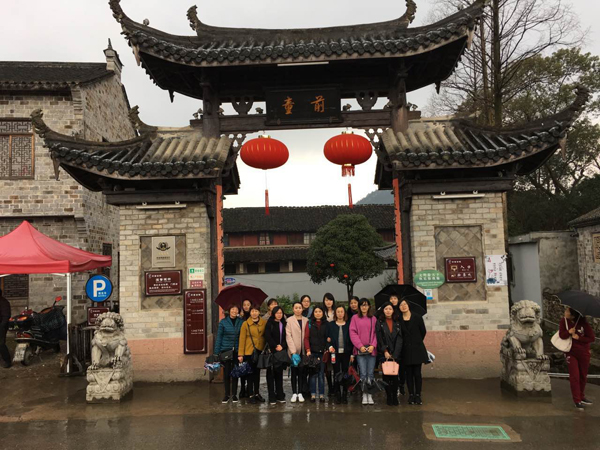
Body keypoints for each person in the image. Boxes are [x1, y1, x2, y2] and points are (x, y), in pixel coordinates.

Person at [559, 307, 596, 409]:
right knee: (574, 376)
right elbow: (561, 335)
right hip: (570, 352)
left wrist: (579, 338)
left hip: (584, 353)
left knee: (583, 376)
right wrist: (569, 332)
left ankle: (581, 396)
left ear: (573, 315)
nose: (565, 312)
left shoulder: (583, 323)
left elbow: (591, 338)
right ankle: (577, 400)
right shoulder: (563, 321)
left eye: (567, 311)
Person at [400, 300, 428, 406]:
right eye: (401, 305)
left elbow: (423, 331)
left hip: (417, 349)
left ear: (408, 305)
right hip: (405, 349)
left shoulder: (417, 317)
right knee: (408, 374)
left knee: (417, 373)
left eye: (405, 304)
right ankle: (411, 394)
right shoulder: (398, 319)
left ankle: (418, 395)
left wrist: (416, 341)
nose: (403, 306)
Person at [350, 298, 378, 405]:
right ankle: (364, 393)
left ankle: (369, 394)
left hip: (371, 350)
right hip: (360, 350)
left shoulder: (373, 319)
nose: (364, 307)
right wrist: (359, 346)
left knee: (370, 373)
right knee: (362, 373)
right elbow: (352, 332)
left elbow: (376, 333)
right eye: (362, 305)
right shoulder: (355, 318)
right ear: (359, 307)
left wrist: (373, 345)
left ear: (369, 306)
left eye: (366, 305)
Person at [214, 305, 243, 403]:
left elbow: (242, 337)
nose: (234, 311)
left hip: (237, 351)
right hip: (226, 350)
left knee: (235, 373)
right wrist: (216, 352)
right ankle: (226, 394)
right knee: (226, 373)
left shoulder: (241, 322)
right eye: (232, 309)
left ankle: (234, 394)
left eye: (236, 309)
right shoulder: (223, 322)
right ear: (229, 310)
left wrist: (241, 353)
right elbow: (219, 337)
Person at [238, 305, 267, 404]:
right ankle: (250, 394)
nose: (254, 313)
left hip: (260, 351)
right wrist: (240, 354)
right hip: (249, 351)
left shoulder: (264, 322)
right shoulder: (245, 324)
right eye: (252, 311)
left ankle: (257, 393)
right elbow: (242, 339)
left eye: (256, 311)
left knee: (257, 373)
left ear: (259, 312)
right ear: (250, 313)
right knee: (250, 373)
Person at [376, 302, 402, 406]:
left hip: (396, 353)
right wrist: (385, 351)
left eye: (390, 309)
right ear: (383, 310)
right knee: (386, 376)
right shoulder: (380, 322)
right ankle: (389, 396)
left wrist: (395, 354)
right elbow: (379, 338)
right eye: (386, 309)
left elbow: (400, 338)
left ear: (393, 310)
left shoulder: (397, 322)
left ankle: (395, 396)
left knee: (395, 376)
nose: (388, 311)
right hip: (384, 353)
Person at [326, 305, 353, 404]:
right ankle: (337, 394)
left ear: (344, 313)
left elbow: (352, 340)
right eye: (338, 312)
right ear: (335, 313)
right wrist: (330, 347)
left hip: (346, 353)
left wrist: (352, 354)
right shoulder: (331, 325)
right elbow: (327, 339)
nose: (340, 313)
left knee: (345, 373)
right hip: (335, 353)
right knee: (336, 373)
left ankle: (345, 394)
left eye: (342, 311)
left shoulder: (349, 324)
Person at [286, 301, 309, 403]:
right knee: (294, 372)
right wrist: (293, 351)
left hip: (303, 351)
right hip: (293, 351)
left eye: (300, 308)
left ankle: (300, 392)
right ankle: (294, 392)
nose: (298, 309)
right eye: (296, 308)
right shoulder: (289, 320)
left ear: (302, 309)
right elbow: (288, 336)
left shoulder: (306, 320)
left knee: (301, 372)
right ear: (293, 309)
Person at [304, 306, 328, 402]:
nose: (318, 313)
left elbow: (328, 337)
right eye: (316, 311)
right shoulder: (309, 323)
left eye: (320, 311)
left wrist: (327, 347)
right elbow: (306, 338)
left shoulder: (326, 324)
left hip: (323, 353)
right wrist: (308, 350)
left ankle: (321, 395)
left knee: (321, 374)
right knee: (313, 374)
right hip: (312, 352)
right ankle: (313, 395)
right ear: (313, 313)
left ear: (323, 313)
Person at [265, 306, 288, 405]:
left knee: (279, 374)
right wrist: (275, 346)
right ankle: (271, 396)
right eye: (277, 313)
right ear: (273, 314)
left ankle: (280, 394)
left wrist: (282, 346)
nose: (279, 315)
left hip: (280, 352)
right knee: (270, 375)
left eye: (281, 313)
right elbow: (268, 336)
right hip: (272, 352)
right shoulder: (269, 323)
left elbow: (286, 337)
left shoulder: (284, 323)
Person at [322, 293, 336, 397]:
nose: (328, 302)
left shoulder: (336, 312)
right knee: (328, 366)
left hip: (335, 341)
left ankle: (335, 386)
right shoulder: (322, 312)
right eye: (326, 300)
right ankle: (330, 387)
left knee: (335, 365)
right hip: (325, 342)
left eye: (330, 300)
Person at [238, 299, 253, 398]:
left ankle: (249, 388)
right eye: (244, 305)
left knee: (250, 369)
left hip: (250, 347)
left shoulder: (253, 316)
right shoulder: (240, 318)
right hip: (242, 346)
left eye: (248, 304)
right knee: (243, 369)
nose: (246, 306)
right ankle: (242, 388)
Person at [0, 289, 11, 369]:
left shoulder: (3, 302)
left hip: (1, 326)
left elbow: (6, 316)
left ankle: (7, 360)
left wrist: (2, 325)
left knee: (1, 344)